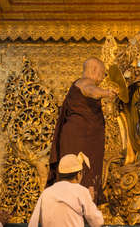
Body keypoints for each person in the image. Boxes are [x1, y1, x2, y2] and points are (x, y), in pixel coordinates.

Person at [48, 57, 117, 203]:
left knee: (81, 173)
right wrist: (106, 92)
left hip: (82, 136)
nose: (102, 78)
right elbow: (91, 91)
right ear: (93, 70)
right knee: (80, 172)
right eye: (102, 73)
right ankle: (80, 203)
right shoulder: (85, 82)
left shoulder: (77, 84)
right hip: (80, 138)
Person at [29, 153, 104, 227]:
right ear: (78, 174)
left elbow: (33, 222)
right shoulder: (81, 191)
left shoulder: (46, 192)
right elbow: (97, 222)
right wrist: (91, 201)